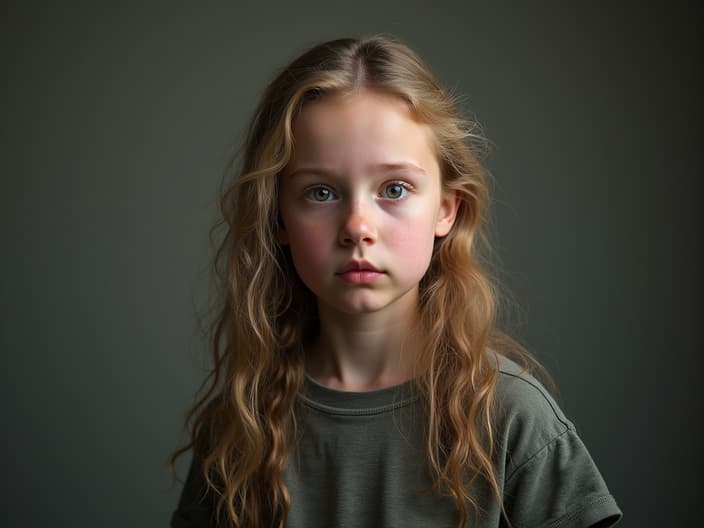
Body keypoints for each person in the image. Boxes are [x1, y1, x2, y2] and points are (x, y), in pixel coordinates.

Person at [169, 35, 622, 528]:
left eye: (394, 189)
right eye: (320, 192)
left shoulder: (511, 416)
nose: (357, 226)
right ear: (277, 216)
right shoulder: (241, 425)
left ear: (447, 209)